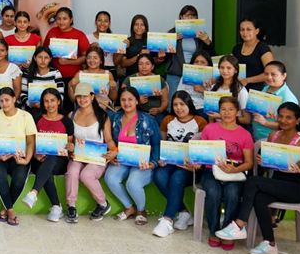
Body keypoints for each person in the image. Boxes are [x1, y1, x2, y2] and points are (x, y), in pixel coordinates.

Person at [215, 103, 300, 254]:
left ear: (297, 120)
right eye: (280, 116)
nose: (283, 120)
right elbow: (271, 163)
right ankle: (269, 243)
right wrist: (263, 161)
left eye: (288, 117)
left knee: (253, 181)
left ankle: (239, 224)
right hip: (279, 183)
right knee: (260, 198)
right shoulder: (273, 136)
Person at [198, 96, 254, 249]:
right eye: (223, 109)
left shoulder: (245, 134)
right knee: (213, 192)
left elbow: (249, 163)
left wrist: (235, 169)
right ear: (219, 111)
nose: (227, 113)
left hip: (235, 172)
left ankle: (228, 231)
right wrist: (196, 162)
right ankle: (214, 231)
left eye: (231, 109)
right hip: (211, 170)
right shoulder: (209, 129)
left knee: (233, 193)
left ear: (237, 112)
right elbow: (201, 153)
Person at [152, 90, 208, 238]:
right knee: (158, 175)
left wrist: (196, 164)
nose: (178, 108)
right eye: (175, 104)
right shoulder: (168, 120)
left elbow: (204, 149)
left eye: (182, 104)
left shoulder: (200, 121)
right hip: (170, 162)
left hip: (190, 166)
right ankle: (183, 212)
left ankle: (167, 220)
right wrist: (161, 158)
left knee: (177, 178)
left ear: (189, 104)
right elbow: (162, 143)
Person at [104, 86, 161, 225]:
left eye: (130, 99)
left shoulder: (148, 120)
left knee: (133, 183)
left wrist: (153, 163)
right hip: (122, 160)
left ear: (137, 101)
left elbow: (157, 144)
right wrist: (113, 154)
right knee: (110, 178)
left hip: (143, 162)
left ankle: (141, 211)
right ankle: (130, 207)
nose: (126, 103)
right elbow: (110, 140)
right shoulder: (115, 118)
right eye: (123, 100)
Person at [65, 84, 115, 223]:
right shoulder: (71, 115)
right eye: (79, 97)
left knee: (86, 175)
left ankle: (103, 203)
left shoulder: (102, 116)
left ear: (92, 97)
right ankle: (71, 206)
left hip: (97, 157)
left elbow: (109, 139)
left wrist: (114, 152)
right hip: (78, 155)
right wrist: (70, 147)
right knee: (72, 171)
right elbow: (69, 140)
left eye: (85, 96)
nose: (82, 99)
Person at [0, 87, 36, 226]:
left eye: (7, 100)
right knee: (0, 177)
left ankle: (5, 209)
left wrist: (26, 160)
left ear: (14, 99)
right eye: (1, 101)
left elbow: (30, 141)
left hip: (19, 157)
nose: (4, 103)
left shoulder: (26, 116)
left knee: (19, 179)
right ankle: (11, 211)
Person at [22, 88, 73, 222]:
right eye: (46, 101)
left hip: (59, 162)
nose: (49, 104)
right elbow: (31, 142)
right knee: (45, 169)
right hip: (38, 159)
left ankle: (34, 192)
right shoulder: (37, 118)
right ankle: (56, 207)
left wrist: (70, 147)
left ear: (59, 101)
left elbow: (69, 145)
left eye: (52, 100)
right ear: (42, 103)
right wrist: (35, 155)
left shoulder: (67, 121)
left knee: (51, 158)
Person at [42, 7, 90, 108]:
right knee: (54, 104)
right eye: (58, 19)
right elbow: (45, 52)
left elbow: (86, 57)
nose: (61, 21)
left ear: (71, 20)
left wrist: (68, 62)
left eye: (64, 19)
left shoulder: (79, 34)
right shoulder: (52, 32)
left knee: (70, 105)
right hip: (53, 76)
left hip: (72, 77)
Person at [165, 5, 213, 96]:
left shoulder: (200, 33)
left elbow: (209, 55)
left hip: (195, 73)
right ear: (181, 17)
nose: (190, 18)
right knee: (174, 99)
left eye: (193, 15)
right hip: (176, 74)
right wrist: (171, 41)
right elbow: (164, 56)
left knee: (194, 100)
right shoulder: (172, 33)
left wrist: (207, 42)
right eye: (187, 15)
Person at [252, 61, 298, 141]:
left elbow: (289, 125)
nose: (269, 77)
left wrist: (265, 122)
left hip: (272, 140)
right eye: (266, 74)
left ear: (284, 76)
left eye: (273, 74)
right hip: (257, 135)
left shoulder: (288, 98)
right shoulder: (266, 88)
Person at [68, 46, 117, 112]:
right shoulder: (79, 74)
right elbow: (73, 99)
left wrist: (113, 88)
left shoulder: (108, 74)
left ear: (101, 61)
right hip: (84, 108)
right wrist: (70, 86)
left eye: (95, 58)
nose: (92, 60)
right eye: (89, 58)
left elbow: (113, 98)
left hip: (103, 108)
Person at [232, 17, 275, 91]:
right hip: (238, 90)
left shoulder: (263, 48)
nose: (245, 33)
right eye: (242, 29)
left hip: (257, 92)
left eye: (248, 29)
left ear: (257, 31)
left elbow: (271, 73)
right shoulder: (236, 48)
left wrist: (247, 80)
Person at [121, 54, 170, 118]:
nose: (144, 67)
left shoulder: (159, 80)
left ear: (152, 66)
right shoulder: (129, 80)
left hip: (156, 114)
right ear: (137, 66)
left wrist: (159, 109)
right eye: (140, 64)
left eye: (147, 64)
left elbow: (165, 101)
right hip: (135, 112)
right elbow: (122, 100)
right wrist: (137, 102)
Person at [209, 54, 249, 123]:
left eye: (229, 68)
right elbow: (210, 114)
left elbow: (246, 119)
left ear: (235, 70)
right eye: (222, 67)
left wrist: (221, 116)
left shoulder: (241, 91)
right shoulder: (213, 87)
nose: (225, 71)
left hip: (233, 127)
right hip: (216, 126)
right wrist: (211, 127)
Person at [175, 51, 215, 116]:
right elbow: (179, 94)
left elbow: (213, 104)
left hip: (202, 108)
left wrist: (203, 91)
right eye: (196, 62)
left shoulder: (213, 78)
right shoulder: (186, 76)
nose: (199, 64)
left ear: (208, 64)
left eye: (202, 62)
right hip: (187, 107)